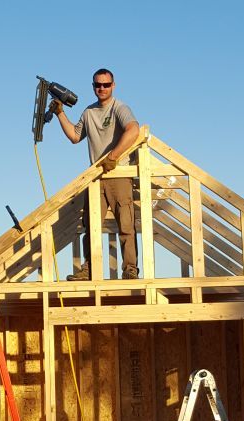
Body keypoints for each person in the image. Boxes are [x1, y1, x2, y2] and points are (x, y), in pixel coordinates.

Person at [49, 68, 140, 280]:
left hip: (118, 174)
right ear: (93, 87)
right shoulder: (89, 112)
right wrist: (60, 112)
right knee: (91, 226)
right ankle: (89, 270)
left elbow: (133, 130)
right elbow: (74, 136)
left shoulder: (120, 108)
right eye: (98, 85)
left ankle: (130, 270)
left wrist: (113, 156)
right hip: (97, 176)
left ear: (113, 86)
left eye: (106, 85)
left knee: (125, 225)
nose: (102, 88)